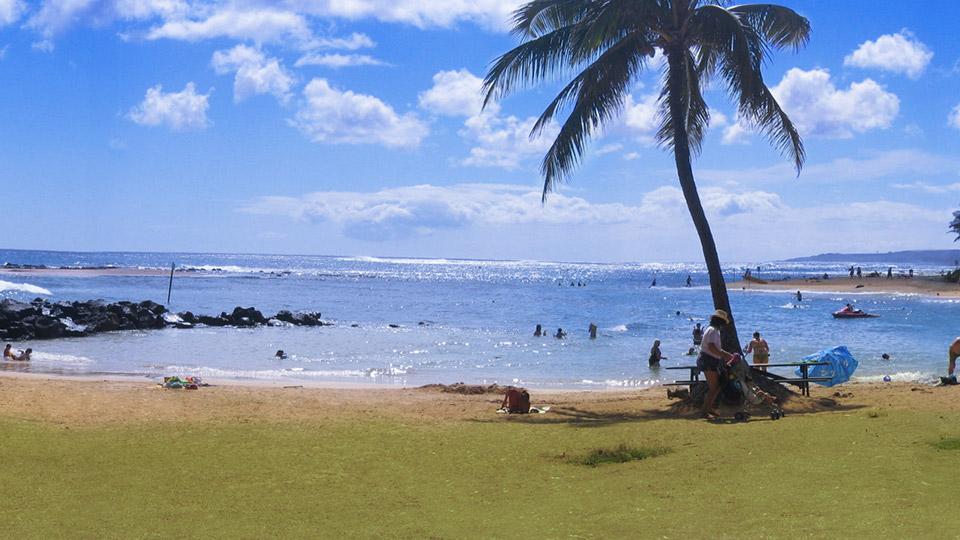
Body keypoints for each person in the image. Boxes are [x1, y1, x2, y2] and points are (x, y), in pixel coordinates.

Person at [697, 310, 734, 419]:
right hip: (708, 360)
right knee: (714, 387)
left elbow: (715, 347)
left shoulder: (711, 330)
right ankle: (705, 411)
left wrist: (726, 354)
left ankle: (709, 407)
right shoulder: (713, 331)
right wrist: (723, 355)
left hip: (710, 360)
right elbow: (712, 347)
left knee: (716, 386)